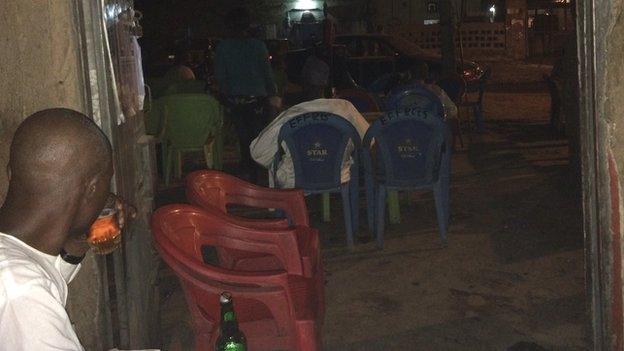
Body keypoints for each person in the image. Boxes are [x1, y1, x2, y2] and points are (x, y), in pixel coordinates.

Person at [0, 108, 127, 350]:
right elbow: (26, 291)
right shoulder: (22, 293)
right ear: (91, 189)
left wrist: (77, 240)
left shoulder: (14, 262)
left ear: (11, 173)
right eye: (105, 182)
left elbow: (43, 275)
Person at [215, 7, 277, 184]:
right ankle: (257, 170)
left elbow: (221, 76)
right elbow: (267, 73)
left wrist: (226, 94)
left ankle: (248, 169)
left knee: (243, 136)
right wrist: (272, 92)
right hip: (258, 98)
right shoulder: (258, 45)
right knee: (257, 135)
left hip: (236, 98)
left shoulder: (223, 47)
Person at [250, 98, 369, 188]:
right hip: (338, 175)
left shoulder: (287, 118)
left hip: (294, 177)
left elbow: (258, 153)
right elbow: (369, 141)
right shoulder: (346, 109)